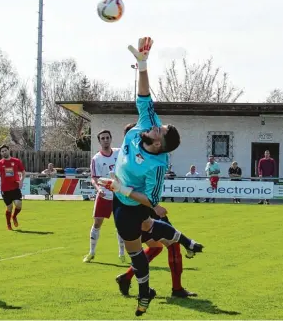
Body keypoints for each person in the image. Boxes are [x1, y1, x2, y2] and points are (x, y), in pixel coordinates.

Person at [98, 37, 203, 316]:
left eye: (160, 129)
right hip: (123, 199)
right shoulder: (145, 126)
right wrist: (143, 65)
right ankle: (183, 243)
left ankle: (152, 286)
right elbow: (144, 98)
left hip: (134, 202)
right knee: (153, 238)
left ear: (159, 144)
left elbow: (152, 199)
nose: (156, 125)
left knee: (151, 236)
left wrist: (123, 188)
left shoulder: (156, 165)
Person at [115, 123, 197, 299]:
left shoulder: (138, 153)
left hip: (139, 207)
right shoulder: (137, 155)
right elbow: (140, 193)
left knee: (156, 247)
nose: (149, 128)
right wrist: (153, 206)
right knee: (171, 244)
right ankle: (176, 289)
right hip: (140, 209)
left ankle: (126, 277)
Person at [83, 130, 126, 263]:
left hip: (119, 194)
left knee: (121, 225)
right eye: (103, 138)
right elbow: (94, 178)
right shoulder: (96, 159)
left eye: (107, 137)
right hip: (104, 194)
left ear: (111, 139)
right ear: (99, 141)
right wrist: (98, 189)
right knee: (97, 223)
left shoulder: (119, 152)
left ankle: (122, 253)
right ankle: (91, 252)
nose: (105, 140)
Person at [0, 145, 26, 230]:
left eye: (5, 150)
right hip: (5, 189)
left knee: (18, 205)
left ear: (9, 150)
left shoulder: (16, 161)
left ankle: (14, 216)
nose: (4, 152)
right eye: (2, 151)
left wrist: (21, 181)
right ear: (1, 153)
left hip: (15, 187)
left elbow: (23, 172)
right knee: (9, 207)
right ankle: (8, 224)